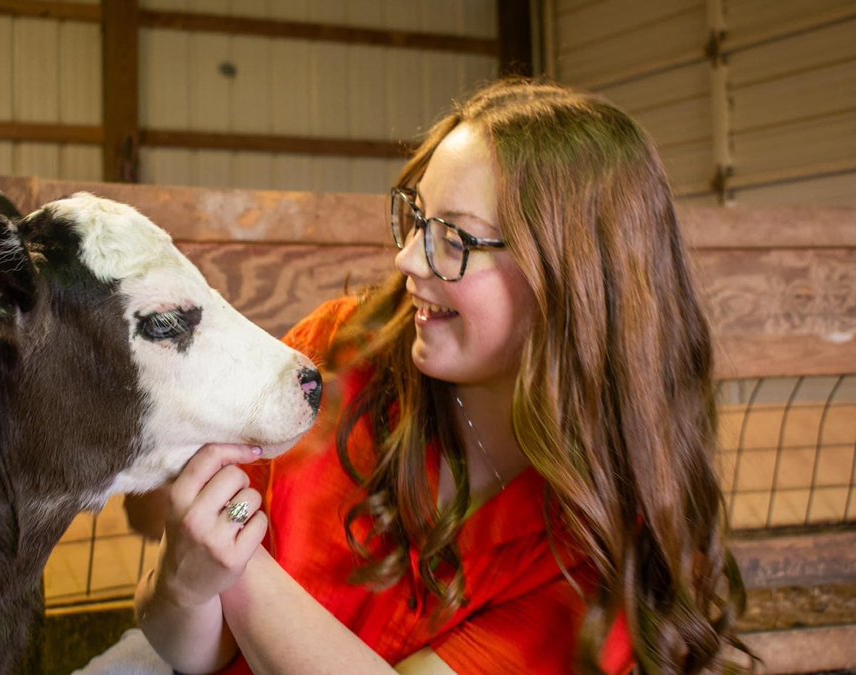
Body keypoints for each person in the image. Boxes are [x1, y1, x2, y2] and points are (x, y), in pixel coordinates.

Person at [128, 78, 750, 674]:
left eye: (455, 238)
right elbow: (196, 646)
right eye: (418, 219)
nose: (406, 259)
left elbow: (213, 547)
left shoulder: (602, 552)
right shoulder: (339, 353)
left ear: (574, 279)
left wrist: (233, 562)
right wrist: (183, 588)